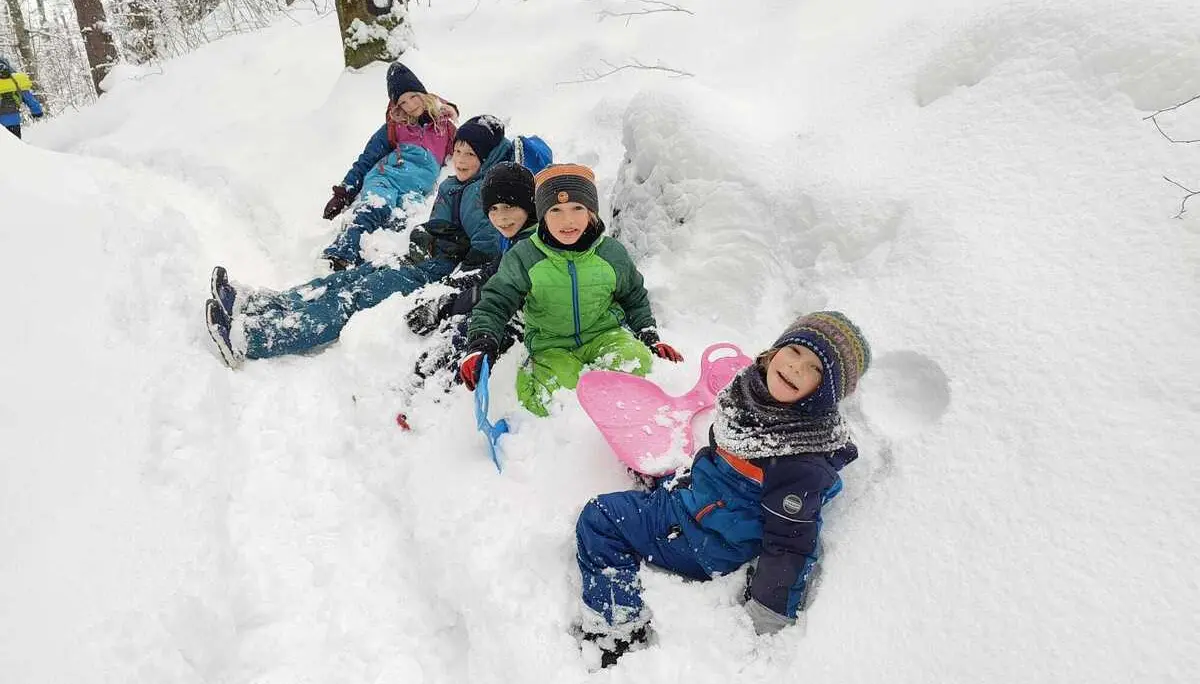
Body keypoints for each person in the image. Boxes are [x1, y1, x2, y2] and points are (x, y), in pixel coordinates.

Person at [572, 311, 871, 667]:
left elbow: (791, 542)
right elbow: (728, 459)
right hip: (711, 503)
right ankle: (672, 494)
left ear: (825, 393)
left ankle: (617, 629)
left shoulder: (796, 457)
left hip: (707, 541)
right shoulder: (755, 396)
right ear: (777, 348)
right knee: (669, 482)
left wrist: (768, 613)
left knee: (601, 518)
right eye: (794, 351)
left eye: (815, 369)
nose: (796, 367)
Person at [204, 117, 546, 368]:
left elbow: (483, 256)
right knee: (346, 279)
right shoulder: (455, 185)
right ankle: (263, 305)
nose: (460, 159)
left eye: (470, 154)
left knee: (358, 296)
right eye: (457, 151)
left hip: (436, 273)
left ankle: (255, 337)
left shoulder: (488, 196)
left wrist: (448, 286)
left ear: (486, 158)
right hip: (422, 258)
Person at [459, 164, 683, 417]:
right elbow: (496, 301)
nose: (567, 221)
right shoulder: (525, 256)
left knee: (634, 362)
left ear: (591, 212)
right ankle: (550, 404)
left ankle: (619, 413)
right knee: (557, 396)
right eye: (555, 210)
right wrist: (481, 342)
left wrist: (648, 334)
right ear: (542, 215)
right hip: (550, 344)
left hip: (605, 334)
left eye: (577, 208)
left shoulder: (611, 253)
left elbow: (633, 296)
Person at [398, 162, 538, 423]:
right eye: (493, 209)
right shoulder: (520, 237)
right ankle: (424, 384)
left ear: (528, 205)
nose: (501, 217)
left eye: (509, 207)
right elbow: (492, 273)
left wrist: (449, 306)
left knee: (469, 332)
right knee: (460, 327)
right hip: (507, 309)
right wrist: (453, 293)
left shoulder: (531, 245)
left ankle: (440, 400)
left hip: (527, 321)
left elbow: (494, 289)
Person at [320, 62, 458, 271]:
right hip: (385, 178)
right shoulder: (394, 127)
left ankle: (367, 270)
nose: (410, 105)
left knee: (398, 227)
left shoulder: (445, 127)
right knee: (375, 208)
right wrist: (344, 193)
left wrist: (452, 111)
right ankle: (340, 255)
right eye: (402, 102)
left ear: (423, 94)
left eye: (413, 96)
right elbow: (367, 159)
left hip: (414, 191)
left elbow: (469, 149)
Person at [0, 57, 44, 139]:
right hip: (14, 121)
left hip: (1, 126)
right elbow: (29, 98)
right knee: (15, 143)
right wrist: (37, 111)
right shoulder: (16, 81)